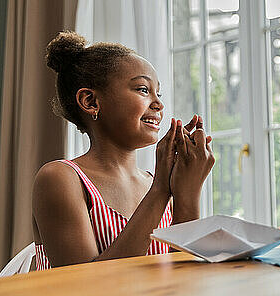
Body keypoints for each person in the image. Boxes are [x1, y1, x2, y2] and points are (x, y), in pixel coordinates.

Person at [33, 32, 216, 270]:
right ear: (90, 101)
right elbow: (86, 286)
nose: (159, 104)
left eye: (158, 93)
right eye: (142, 89)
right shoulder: (60, 178)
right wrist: (161, 189)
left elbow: (184, 273)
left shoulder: (154, 182)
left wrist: (187, 192)